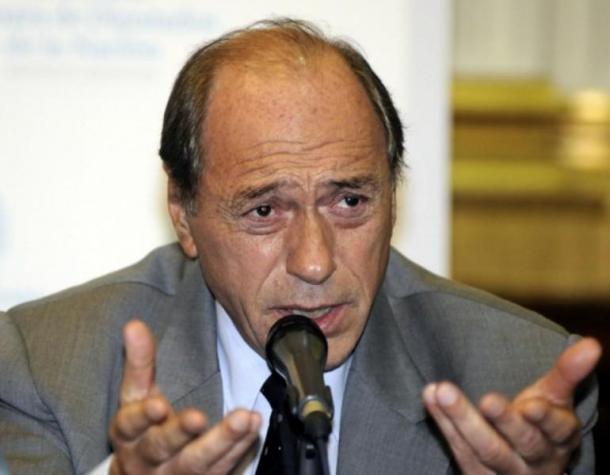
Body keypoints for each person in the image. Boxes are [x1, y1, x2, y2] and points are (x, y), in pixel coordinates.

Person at [0, 18, 601, 475]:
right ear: (182, 213)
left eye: (350, 202)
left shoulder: (520, 381)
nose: (315, 263)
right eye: (264, 211)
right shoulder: (44, 369)